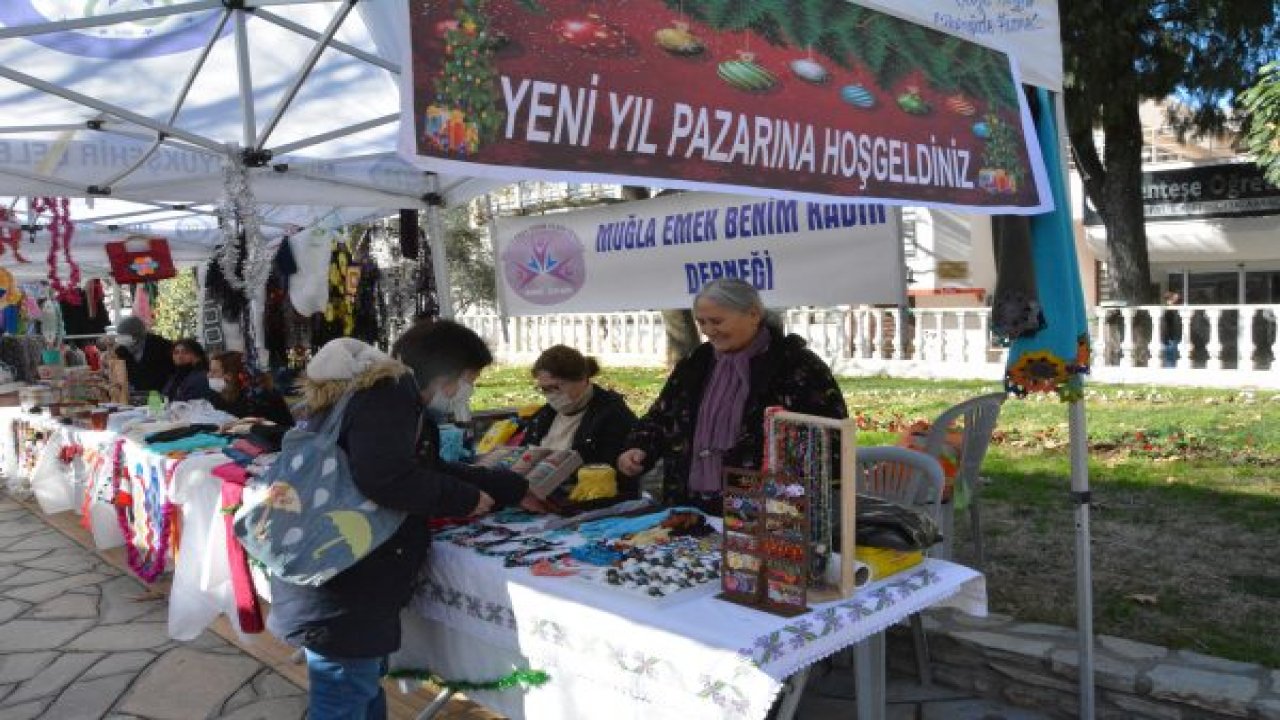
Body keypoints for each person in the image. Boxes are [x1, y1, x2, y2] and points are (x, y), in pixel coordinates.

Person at [268, 323, 537, 719]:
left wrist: (510, 487)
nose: (469, 391)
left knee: (358, 689)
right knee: (343, 696)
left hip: (339, 575)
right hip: (341, 583)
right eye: (470, 380)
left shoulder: (381, 398)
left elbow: (426, 467)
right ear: (447, 375)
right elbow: (387, 478)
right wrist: (466, 499)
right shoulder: (388, 398)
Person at [618, 279, 848, 513]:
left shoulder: (796, 366)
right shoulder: (696, 362)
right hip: (689, 506)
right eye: (702, 322)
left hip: (766, 513)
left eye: (717, 321)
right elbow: (662, 415)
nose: (708, 331)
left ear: (753, 314)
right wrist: (639, 447)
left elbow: (828, 439)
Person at [520, 345, 639, 491]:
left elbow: (609, 470)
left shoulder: (613, 414)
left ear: (582, 379)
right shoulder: (546, 413)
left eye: (556, 387)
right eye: (544, 389)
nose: (551, 395)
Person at [208, 350, 294, 427]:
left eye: (215, 371)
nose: (209, 375)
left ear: (230, 374)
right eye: (210, 371)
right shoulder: (230, 393)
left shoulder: (260, 396)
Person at [113, 315, 174, 395]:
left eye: (123, 335)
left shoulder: (161, 346)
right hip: (135, 395)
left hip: (159, 393)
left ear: (135, 336)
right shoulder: (121, 351)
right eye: (119, 335)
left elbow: (171, 373)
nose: (120, 339)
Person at [161, 338, 214, 402]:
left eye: (185, 352)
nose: (179, 356)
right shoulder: (174, 378)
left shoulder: (202, 377)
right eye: (176, 352)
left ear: (198, 356)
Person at [1160, 290, 1182, 368]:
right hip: (1169, 336)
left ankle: (1170, 367)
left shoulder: (1171, 309)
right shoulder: (1168, 310)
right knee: (1170, 355)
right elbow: (1167, 325)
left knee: (1171, 355)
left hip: (1171, 336)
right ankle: (1170, 369)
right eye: (1174, 298)